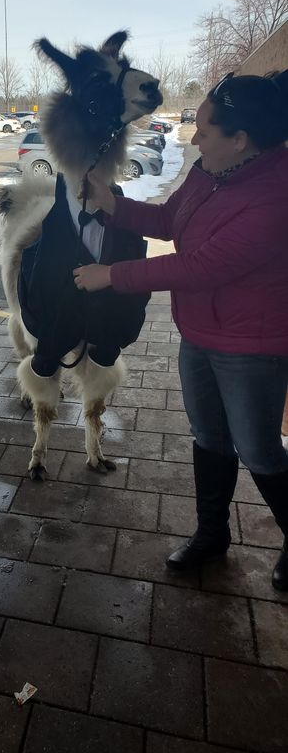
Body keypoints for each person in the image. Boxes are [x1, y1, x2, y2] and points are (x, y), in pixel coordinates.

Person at [73, 69, 288, 591]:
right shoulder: (209, 170)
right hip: (200, 332)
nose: (194, 137)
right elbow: (172, 221)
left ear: (241, 140)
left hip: (251, 344)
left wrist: (111, 276)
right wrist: (113, 205)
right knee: (210, 437)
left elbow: (201, 266)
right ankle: (212, 534)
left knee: (258, 449)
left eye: (206, 130)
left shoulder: (275, 195)